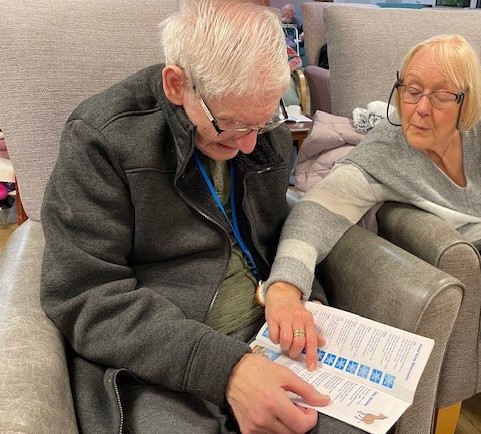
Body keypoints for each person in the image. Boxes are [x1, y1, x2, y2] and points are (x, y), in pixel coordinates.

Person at [262, 34, 481, 434]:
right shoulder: (385, 152)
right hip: (473, 260)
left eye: (441, 96)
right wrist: (286, 286)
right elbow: (315, 213)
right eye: (411, 90)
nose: (420, 109)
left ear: (466, 102)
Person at [40, 1, 362, 433]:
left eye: (263, 122)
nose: (251, 146)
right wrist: (228, 370)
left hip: (265, 333)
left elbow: (274, 235)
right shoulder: (101, 140)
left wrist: (295, 290)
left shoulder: (262, 134)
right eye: (232, 126)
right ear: (176, 85)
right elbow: (85, 296)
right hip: (161, 357)